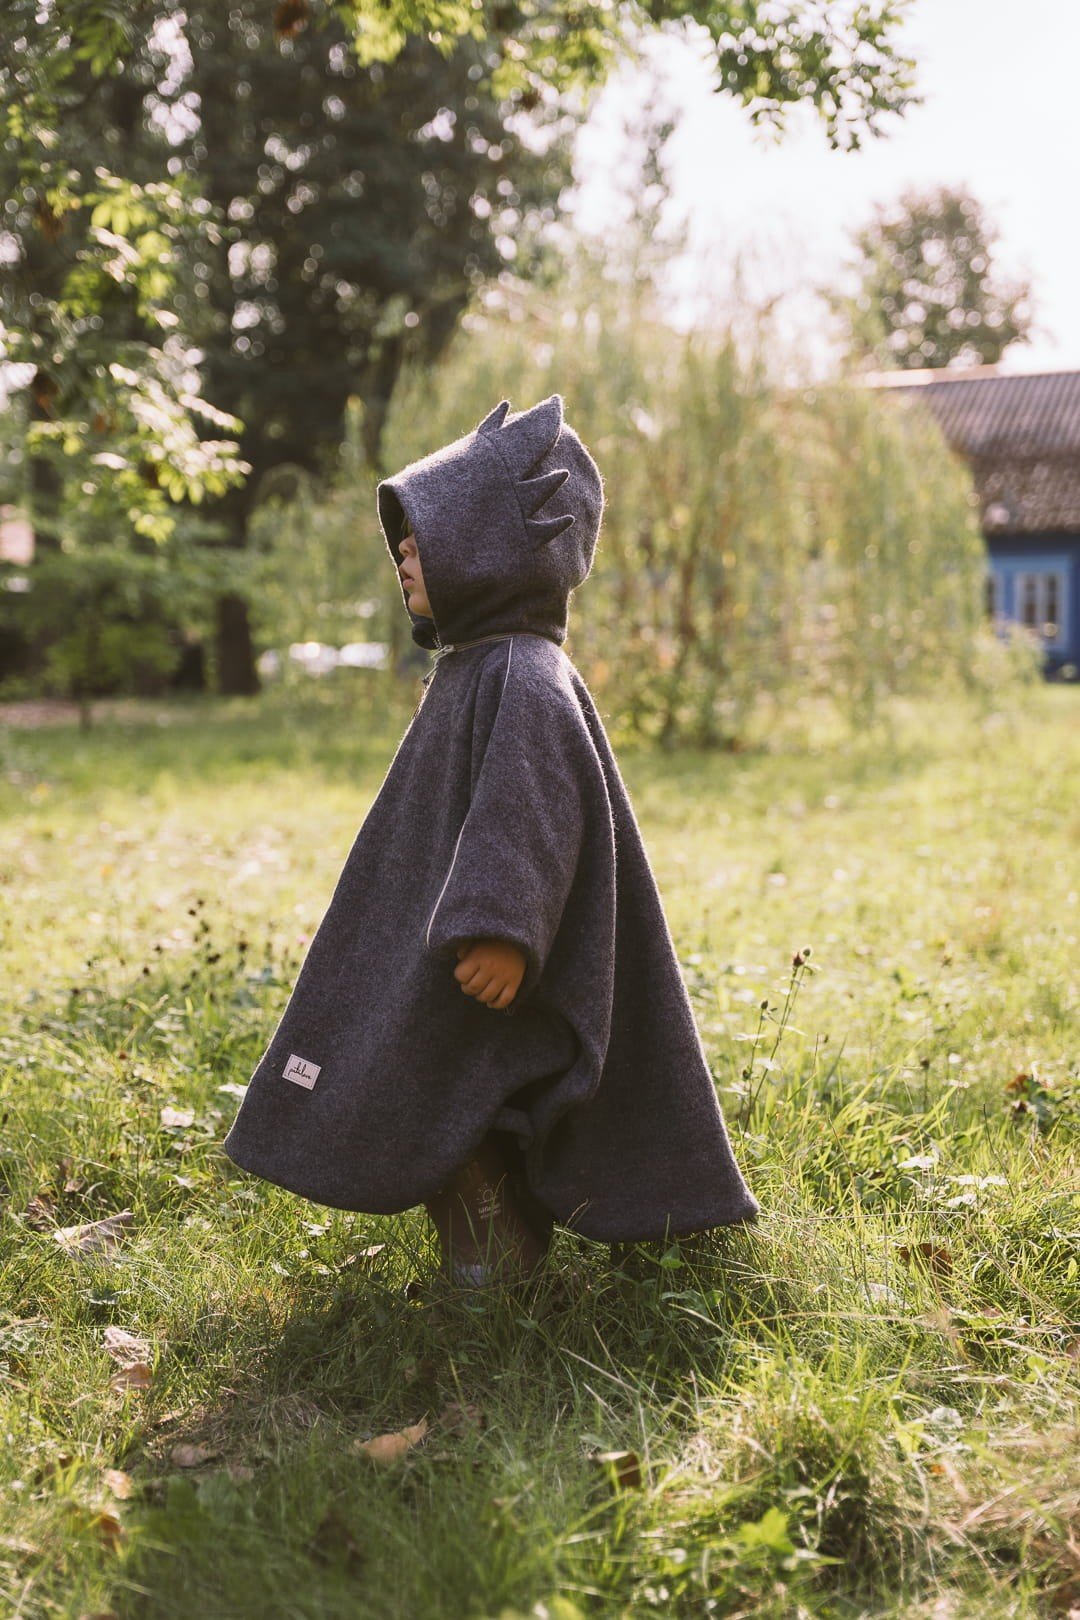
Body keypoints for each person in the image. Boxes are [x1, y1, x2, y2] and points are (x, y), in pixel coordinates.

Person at [222, 393, 760, 1287]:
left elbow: (530, 809)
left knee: (433, 1079)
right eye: (403, 536)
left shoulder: (522, 673)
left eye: (425, 532)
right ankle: (484, 1240)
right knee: (421, 1079)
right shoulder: (476, 665)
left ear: (491, 548)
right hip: (437, 943)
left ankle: (497, 1255)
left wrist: (505, 926)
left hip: (477, 952)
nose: (403, 550)